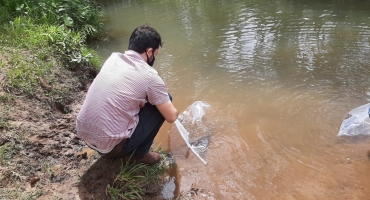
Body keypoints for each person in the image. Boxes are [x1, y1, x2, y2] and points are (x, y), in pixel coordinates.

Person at [76, 25, 178, 165]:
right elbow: (171, 116)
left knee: (143, 99)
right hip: (110, 148)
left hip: (86, 136)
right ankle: (140, 154)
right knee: (166, 99)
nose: (154, 57)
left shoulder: (113, 59)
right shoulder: (150, 76)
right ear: (149, 51)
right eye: (155, 54)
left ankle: (120, 143)